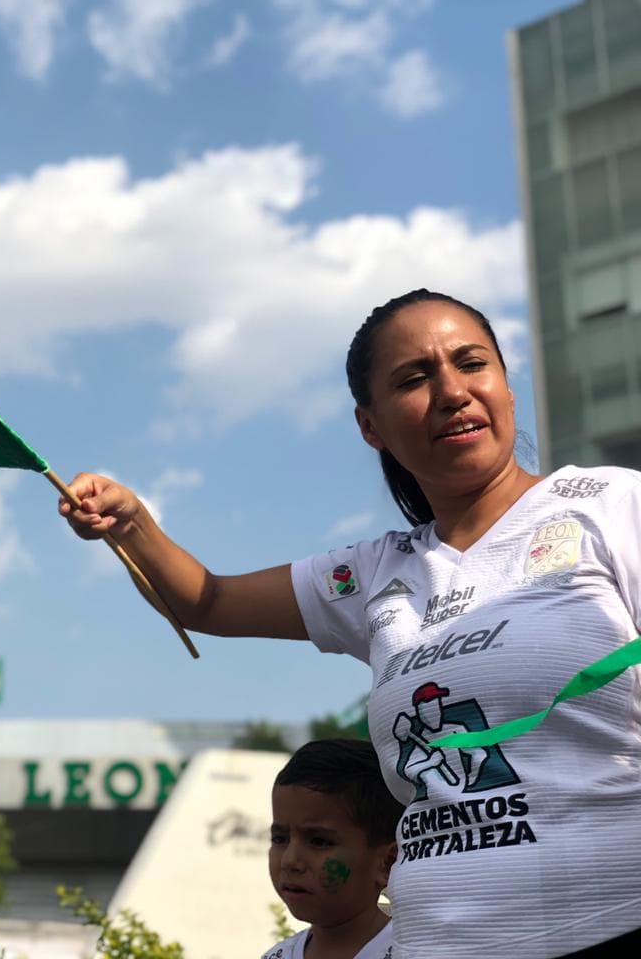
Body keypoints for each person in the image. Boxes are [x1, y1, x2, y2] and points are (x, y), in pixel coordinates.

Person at [60, 289, 641, 958]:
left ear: (507, 387)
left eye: (471, 363)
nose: (452, 392)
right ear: (371, 425)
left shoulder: (612, 508)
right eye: (414, 379)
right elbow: (207, 602)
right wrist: (131, 524)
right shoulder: (372, 574)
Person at [263, 739, 401, 959]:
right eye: (280, 838)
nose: (290, 861)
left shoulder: (416, 952)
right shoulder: (277, 956)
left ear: (387, 863)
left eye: (319, 842)